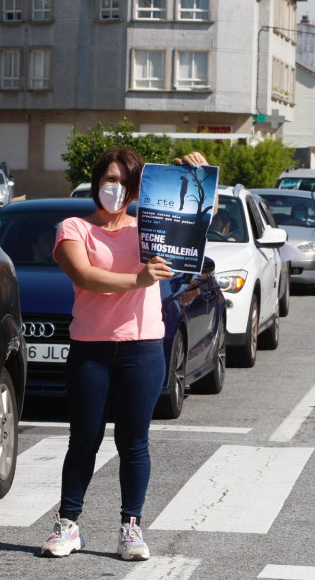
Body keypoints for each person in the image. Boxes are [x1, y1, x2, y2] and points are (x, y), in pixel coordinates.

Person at [41, 147, 208, 561]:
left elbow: (194, 221)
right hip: (91, 349)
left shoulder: (149, 229)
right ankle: (68, 523)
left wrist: (201, 177)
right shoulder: (74, 228)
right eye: (107, 179)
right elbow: (85, 275)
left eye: (122, 182)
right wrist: (138, 279)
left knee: (135, 443)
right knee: (84, 440)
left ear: (135, 189)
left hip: (142, 347)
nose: (112, 188)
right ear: (97, 181)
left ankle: (130, 528)